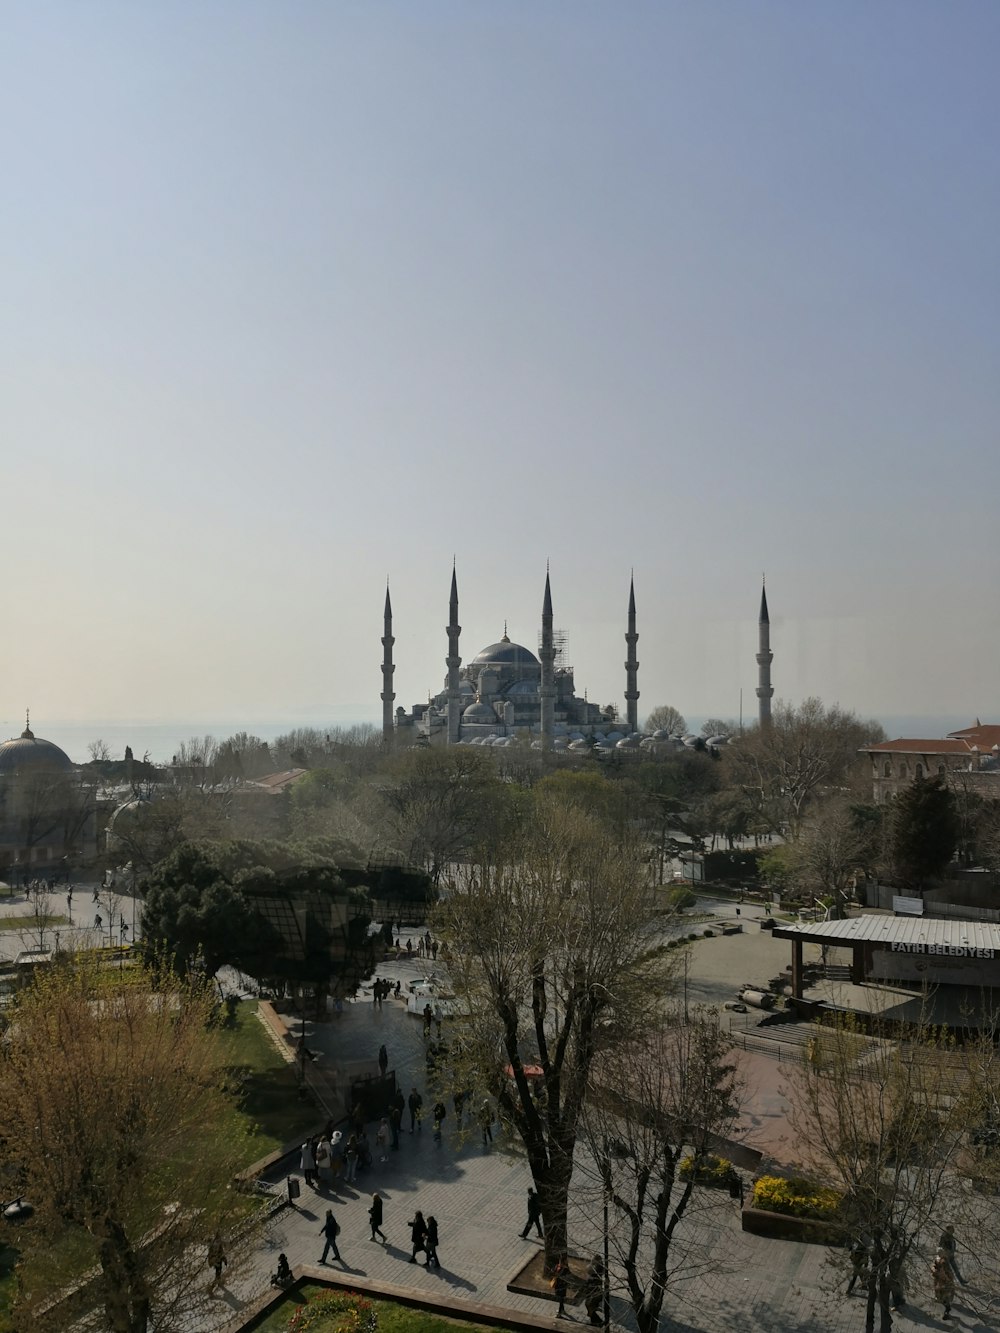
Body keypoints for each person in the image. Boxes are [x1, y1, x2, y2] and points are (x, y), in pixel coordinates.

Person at [583, 1254, 605, 1327]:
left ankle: (597, 1321)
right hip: (596, 1294)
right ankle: (595, 1321)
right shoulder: (599, 1270)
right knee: (591, 1307)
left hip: (593, 1294)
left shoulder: (593, 1276)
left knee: (589, 1306)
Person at [932, 1249, 955, 1321]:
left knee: (945, 1297)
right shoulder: (937, 1260)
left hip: (945, 1283)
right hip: (939, 1283)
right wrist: (935, 1272)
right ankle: (946, 1309)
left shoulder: (944, 1262)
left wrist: (947, 1280)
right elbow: (933, 1268)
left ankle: (947, 1312)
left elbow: (948, 1273)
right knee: (940, 1297)